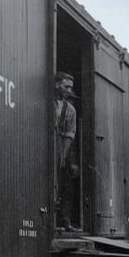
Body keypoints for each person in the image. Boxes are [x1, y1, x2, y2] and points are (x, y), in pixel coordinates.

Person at [55, 71, 78, 231]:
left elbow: (70, 134)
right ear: (57, 85)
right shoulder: (46, 102)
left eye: (71, 87)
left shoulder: (70, 110)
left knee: (66, 185)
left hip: (63, 147)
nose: (69, 91)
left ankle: (65, 221)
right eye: (66, 86)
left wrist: (62, 156)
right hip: (50, 145)